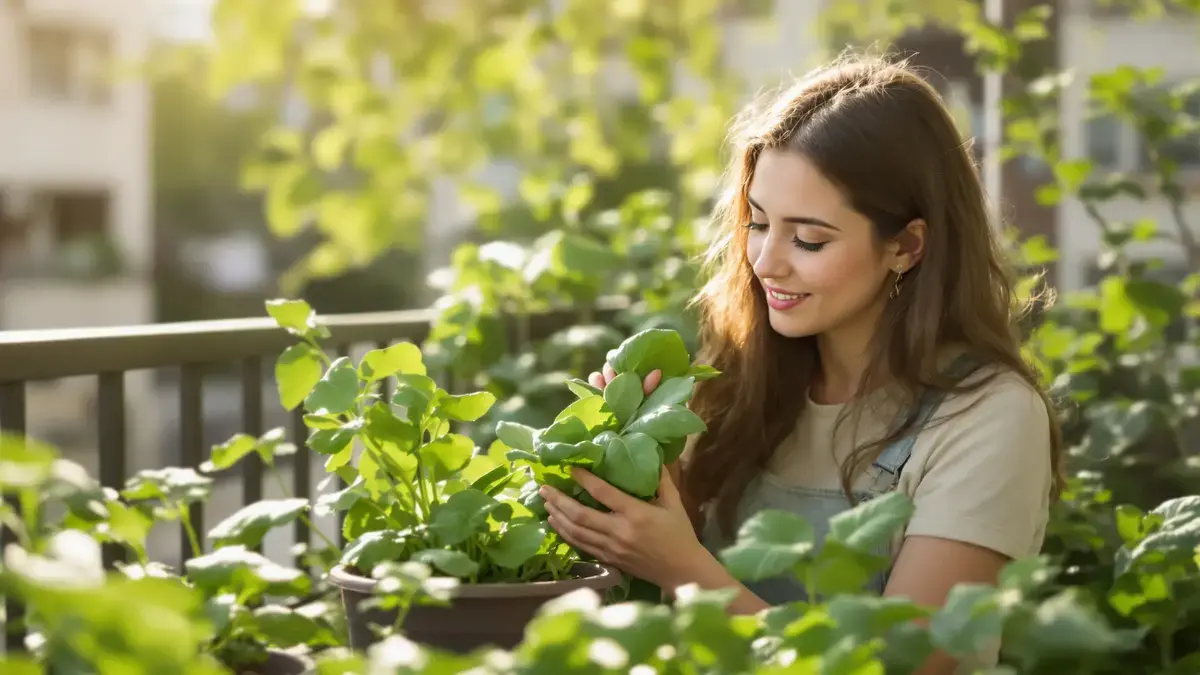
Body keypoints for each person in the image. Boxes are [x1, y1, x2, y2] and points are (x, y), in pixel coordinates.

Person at [537, 53, 1061, 673]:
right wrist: (644, 481)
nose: (766, 262)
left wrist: (681, 567)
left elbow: (909, 666)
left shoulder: (990, 416)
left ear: (906, 246)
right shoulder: (743, 378)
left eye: (809, 239)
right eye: (758, 224)